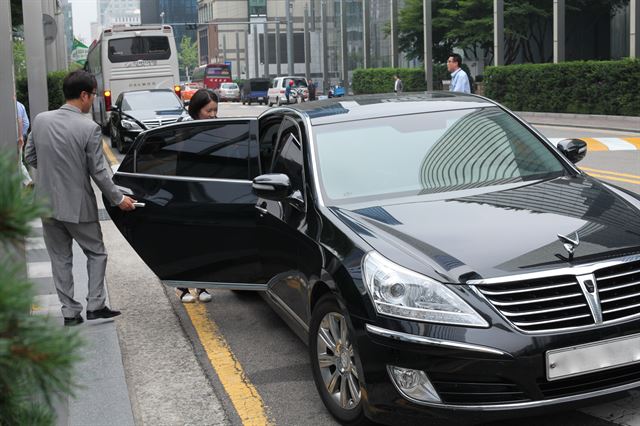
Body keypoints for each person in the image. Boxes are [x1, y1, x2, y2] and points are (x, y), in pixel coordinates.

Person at [24, 70, 137, 326]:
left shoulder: (41, 120)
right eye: (94, 95)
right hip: (77, 205)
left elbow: (29, 157)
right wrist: (119, 199)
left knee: (59, 257)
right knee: (96, 253)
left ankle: (69, 312)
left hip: (45, 204)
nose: (93, 101)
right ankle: (95, 305)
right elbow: (98, 171)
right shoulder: (89, 128)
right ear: (84, 95)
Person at [170, 88, 220, 304]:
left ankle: (202, 285)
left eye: (215, 110)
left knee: (205, 240)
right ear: (197, 109)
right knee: (185, 241)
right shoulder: (184, 128)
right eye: (208, 110)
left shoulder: (217, 127)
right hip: (183, 191)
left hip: (207, 190)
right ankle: (182, 287)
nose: (212, 114)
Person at [16, 99, 33, 187]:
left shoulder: (15, 105)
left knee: (18, 162)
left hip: (17, 138)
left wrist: (20, 137)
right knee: (18, 161)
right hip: (19, 136)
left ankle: (28, 182)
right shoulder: (20, 104)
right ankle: (27, 182)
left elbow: (19, 120)